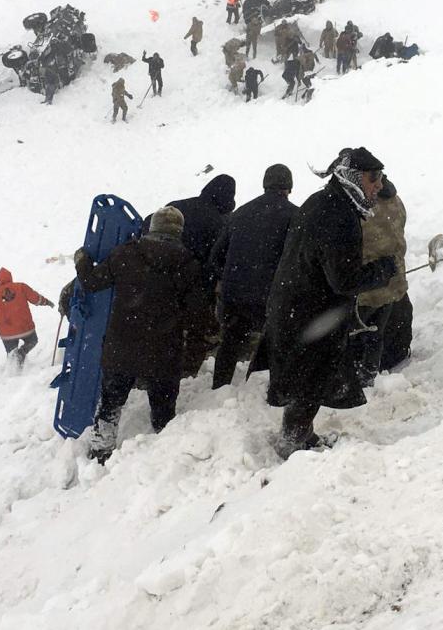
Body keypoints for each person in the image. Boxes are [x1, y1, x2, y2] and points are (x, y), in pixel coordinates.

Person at [262, 147, 398, 458]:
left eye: (380, 176)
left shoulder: (326, 201)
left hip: (297, 305)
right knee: (311, 379)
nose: (378, 184)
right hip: (309, 311)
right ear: (352, 178)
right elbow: (345, 280)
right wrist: (383, 270)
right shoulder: (338, 215)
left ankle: (299, 434)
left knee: (307, 377)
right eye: (373, 177)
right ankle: (293, 442)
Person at [74, 206, 209, 464]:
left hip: (122, 346)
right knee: (163, 412)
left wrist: (81, 260)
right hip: (163, 351)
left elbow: (92, 282)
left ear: (152, 228)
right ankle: (162, 458)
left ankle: (101, 451)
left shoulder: (125, 254)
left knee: (111, 404)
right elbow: (197, 315)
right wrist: (192, 350)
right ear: (178, 232)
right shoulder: (188, 265)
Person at [208, 164, 298, 389]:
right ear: (288, 186)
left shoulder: (240, 214)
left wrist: (232, 277)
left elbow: (216, 256)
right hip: (272, 295)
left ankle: (219, 387)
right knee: (274, 343)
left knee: (230, 343)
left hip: (235, 294)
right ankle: (261, 391)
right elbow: (298, 259)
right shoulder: (296, 215)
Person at [141, 175, 236, 376]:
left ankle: (145, 369)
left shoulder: (176, 206)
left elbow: (149, 227)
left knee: (156, 326)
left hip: (156, 278)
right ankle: (184, 373)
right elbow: (217, 260)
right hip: (193, 285)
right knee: (197, 330)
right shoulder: (218, 222)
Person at [348, 175, 407, 386]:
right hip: (392, 281)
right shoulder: (395, 200)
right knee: (376, 333)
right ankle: (369, 375)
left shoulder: (361, 205)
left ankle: (350, 381)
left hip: (367, 284)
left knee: (351, 333)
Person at [0, 267, 54, 366]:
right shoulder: (21, 287)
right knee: (33, 341)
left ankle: (12, 372)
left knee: (11, 355)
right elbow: (36, 298)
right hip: (24, 327)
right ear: (10, 277)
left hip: (6, 332)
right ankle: (22, 352)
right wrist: (47, 302)